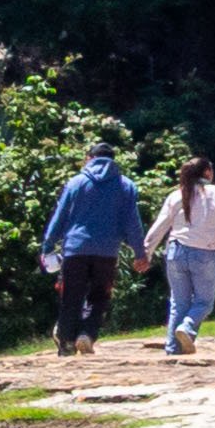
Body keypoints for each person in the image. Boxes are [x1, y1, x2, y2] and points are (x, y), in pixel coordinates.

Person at [38, 143, 143, 356]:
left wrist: (47, 246)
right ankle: (87, 334)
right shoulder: (126, 185)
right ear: (113, 160)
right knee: (99, 295)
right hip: (107, 252)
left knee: (71, 296)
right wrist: (139, 252)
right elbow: (133, 223)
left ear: (89, 158)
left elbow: (60, 217)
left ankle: (67, 342)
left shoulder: (76, 183)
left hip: (75, 249)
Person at [145, 155, 215, 353]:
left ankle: (173, 349)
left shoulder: (176, 195)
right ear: (207, 172)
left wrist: (145, 252)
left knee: (179, 302)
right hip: (205, 253)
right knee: (204, 302)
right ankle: (187, 327)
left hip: (175, 251)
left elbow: (160, 225)